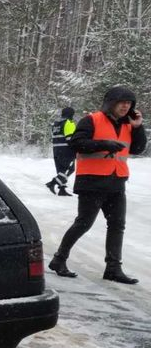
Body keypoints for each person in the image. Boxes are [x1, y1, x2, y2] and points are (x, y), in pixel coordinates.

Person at [49, 86, 146, 284]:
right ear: (111, 103)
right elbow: (76, 143)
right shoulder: (92, 120)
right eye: (122, 102)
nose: (126, 106)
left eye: (129, 103)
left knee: (117, 225)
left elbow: (137, 148)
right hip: (92, 182)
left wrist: (138, 127)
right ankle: (59, 260)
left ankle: (113, 268)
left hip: (116, 182)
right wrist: (104, 144)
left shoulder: (129, 124)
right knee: (84, 223)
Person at [45, 106, 76, 195]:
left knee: (61, 170)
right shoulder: (68, 123)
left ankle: (62, 190)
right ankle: (53, 183)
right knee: (69, 169)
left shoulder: (56, 124)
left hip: (56, 150)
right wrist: (75, 149)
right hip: (66, 150)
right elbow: (70, 139)